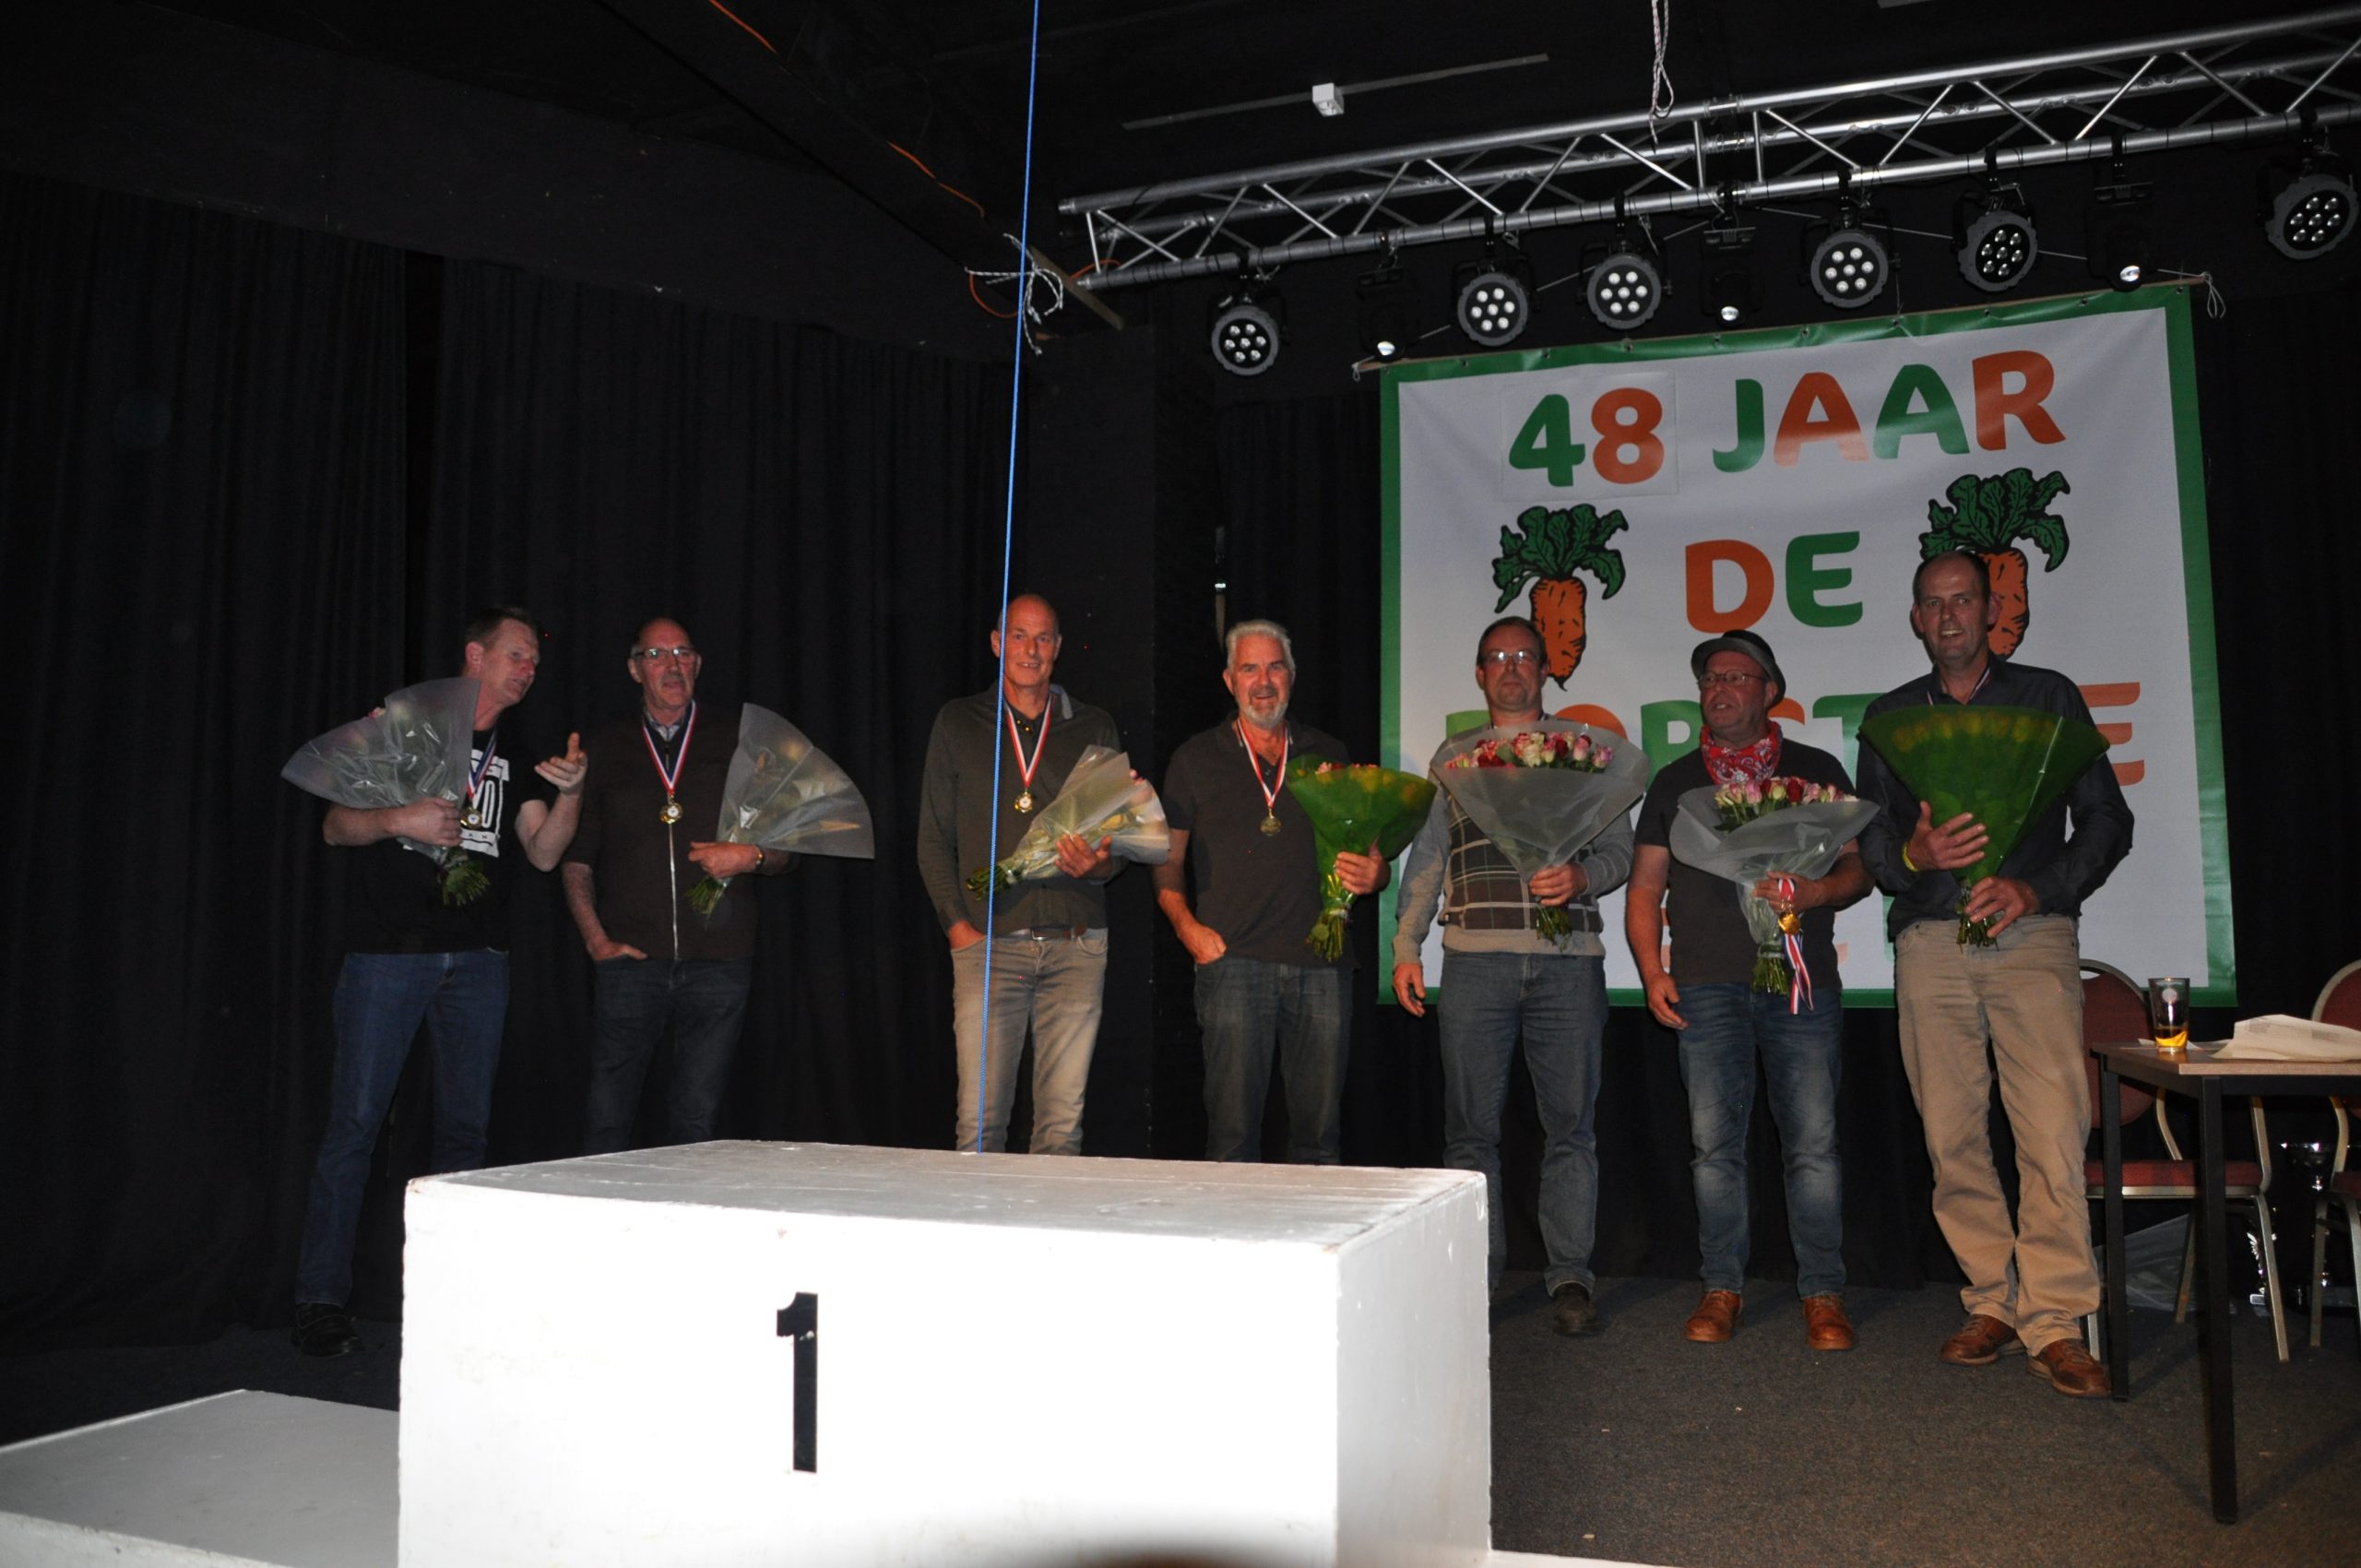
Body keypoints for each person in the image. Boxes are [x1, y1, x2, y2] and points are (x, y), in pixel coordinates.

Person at [1856, 551, 2133, 1397]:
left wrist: (2034, 887)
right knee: (1952, 1135)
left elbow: (2107, 821)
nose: (1948, 616)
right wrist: (1914, 853)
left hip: (2031, 934)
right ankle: (1991, 1301)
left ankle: (2057, 1320)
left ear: (1990, 610)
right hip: (1931, 941)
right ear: (1916, 618)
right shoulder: (1890, 716)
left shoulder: (2048, 697)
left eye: (1962, 600)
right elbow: (1873, 845)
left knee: (2051, 1129)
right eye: (1932, 603)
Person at [291, 608, 585, 1358]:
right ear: (475, 656)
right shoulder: (404, 728)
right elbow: (334, 828)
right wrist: (401, 819)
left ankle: (452, 1299)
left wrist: (573, 794)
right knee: (356, 1125)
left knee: (464, 1132)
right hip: (388, 956)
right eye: (516, 655)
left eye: (534, 662)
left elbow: (544, 854)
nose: (528, 670)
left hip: (479, 961)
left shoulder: (516, 751)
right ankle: (320, 1299)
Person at [1627, 630, 1871, 1350]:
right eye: (1711, 678)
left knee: (1814, 1146)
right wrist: (1652, 972)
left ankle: (1823, 1293)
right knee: (1714, 1148)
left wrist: (1817, 890)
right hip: (1704, 984)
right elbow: (1644, 887)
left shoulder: (1816, 769)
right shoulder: (1676, 781)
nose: (1721, 688)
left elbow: (1858, 871)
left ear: (1771, 691)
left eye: (1737, 677)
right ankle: (1722, 1288)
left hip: (1801, 982)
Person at [1392, 615, 1633, 1336]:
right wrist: (1406, 945)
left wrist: (1582, 876)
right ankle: (1477, 1279)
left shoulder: (1584, 754)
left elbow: (1619, 853)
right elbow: (1428, 857)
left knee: (1572, 1130)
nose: (1511, 667)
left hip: (1570, 965)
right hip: (1475, 961)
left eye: (1524, 655)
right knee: (1470, 1135)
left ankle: (1571, 1277)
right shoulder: (1455, 758)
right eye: (1497, 657)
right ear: (1479, 673)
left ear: (1545, 668)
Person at [1155, 620, 1387, 1164]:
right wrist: (1187, 929)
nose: (1263, 681)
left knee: (1320, 1142)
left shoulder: (1328, 752)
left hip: (1322, 965)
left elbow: (1369, 848)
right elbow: (1167, 861)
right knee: (1232, 1140)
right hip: (1231, 964)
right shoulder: (1194, 758)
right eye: (1250, 668)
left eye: (1275, 667)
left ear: (1292, 676)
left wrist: (1375, 875)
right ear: (1229, 680)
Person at [564, 617, 788, 1153]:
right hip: (630, 962)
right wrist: (596, 941)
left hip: (719, 962)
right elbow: (576, 861)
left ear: (698, 665)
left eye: (683, 653)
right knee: (607, 1120)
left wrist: (752, 856)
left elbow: (790, 846)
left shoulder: (741, 739)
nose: (672, 666)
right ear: (634, 668)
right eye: (657, 655)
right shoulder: (603, 746)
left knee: (696, 1124)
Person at [916, 593, 1122, 1154]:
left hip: (1077, 945)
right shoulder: (959, 722)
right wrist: (959, 929)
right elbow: (932, 839)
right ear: (996, 643)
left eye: (1043, 638)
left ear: (1058, 648)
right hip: (988, 948)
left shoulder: (1094, 726)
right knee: (979, 1128)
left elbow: (1121, 840)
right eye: (1019, 636)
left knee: (1061, 1132)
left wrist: (1101, 864)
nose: (1031, 650)